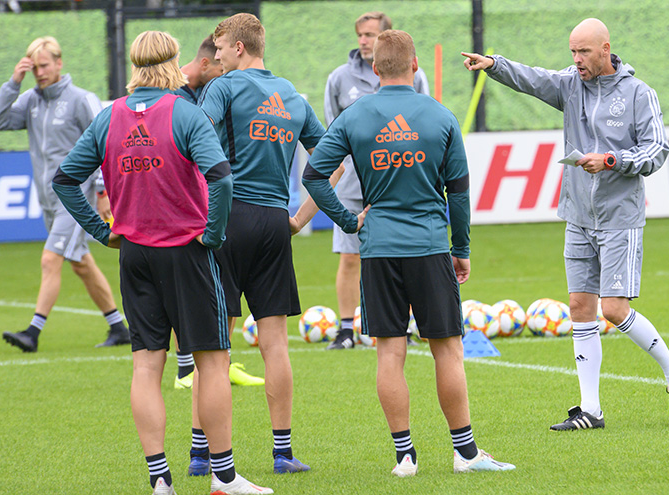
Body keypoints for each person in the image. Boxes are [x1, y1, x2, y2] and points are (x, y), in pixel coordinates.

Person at [51, 30, 272, 495]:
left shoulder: (109, 116)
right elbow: (222, 180)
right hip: (187, 253)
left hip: (134, 256)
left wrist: (103, 231)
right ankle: (224, 478)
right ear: (173, 63)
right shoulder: (185, 114)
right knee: (213, 362)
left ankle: (160, 482)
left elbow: (66, 179)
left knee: (146, 366)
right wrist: (212, 234)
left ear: (134, 65)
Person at [462, 18, 669, 430]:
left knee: (615, 309)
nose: (576, 60)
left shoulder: (639, 94)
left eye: (583, 52)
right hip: (577, 216)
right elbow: (533, 79)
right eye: (572, 52)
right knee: (580, 308)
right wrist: (493, 63)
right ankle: (591, 409)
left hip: (620, 217)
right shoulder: (570, 85)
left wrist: (611, 160)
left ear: (605, 49)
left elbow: (657, 150)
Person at [304, 29, 515, 477]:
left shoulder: (355, 115)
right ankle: (465, 453)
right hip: (430, 246)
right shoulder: (440, 117)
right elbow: (458, 193)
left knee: (389, 352)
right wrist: (461, 249)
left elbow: (314, 176)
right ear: (415, 66)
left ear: (375, 69)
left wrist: (347, 221)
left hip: (378, 250)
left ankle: (404, 457)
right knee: (447, 350)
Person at [199, 12, 326, 476]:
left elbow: (193, 140)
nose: (213, 59)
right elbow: (330, 160)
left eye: (219, 49)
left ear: (238, 48)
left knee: (214, 343)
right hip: (275, 222)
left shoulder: (223, 88)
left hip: (228, 219)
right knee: (275, 343)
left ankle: (201, 455)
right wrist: (300, 217)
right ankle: (283, 453)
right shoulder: (291, 94)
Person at [0, 36, 130, 352]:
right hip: (48, 201)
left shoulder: (81, 99)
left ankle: (33, 331)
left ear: (59, 63)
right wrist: (14, 81)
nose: (39, 72)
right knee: (80, 262)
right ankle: (118, 328)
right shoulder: (30, 100)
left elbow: (105, 143)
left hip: (75, 200)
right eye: (34, 67)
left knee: (50, 258)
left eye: (44, 65)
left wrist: (101, 189)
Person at [323, 11, 429, 350]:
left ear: (387, 37)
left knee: (405, 256)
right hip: (354, 185)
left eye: (370, 34)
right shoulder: (339, 79)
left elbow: (423, 120)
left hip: (400, 183)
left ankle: (405, 326)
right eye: (360, 35)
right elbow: (331, 132)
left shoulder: (416, 75)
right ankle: (345, 329)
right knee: (350, 257)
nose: (364, 41)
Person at [170, 34, 264, 392]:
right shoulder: (173, 94)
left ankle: (205, 366)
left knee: (218, 292)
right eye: (220, 67)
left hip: (210, 203)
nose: (224, 77)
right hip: (184, 206)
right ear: (207, 63)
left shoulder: (203, 91)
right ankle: (186, 370)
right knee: (191, 289)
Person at [174, 34, 223, 106]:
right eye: (221, 71)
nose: (224, 76)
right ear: (205, 64)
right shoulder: (169, 90)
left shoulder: (208, 89)